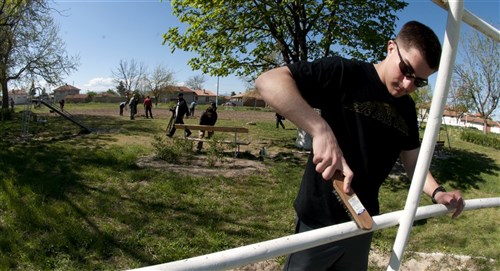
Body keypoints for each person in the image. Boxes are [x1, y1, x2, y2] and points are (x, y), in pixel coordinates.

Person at [255, 21, 465, 271]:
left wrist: (438, 192)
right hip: (318, 221)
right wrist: (320, 130)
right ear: (390, 47)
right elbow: (268, 81)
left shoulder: (407, 109)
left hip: (363, 223)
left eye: (419, 82)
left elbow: (413, 162)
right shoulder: (345, 73)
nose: (408, 85)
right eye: (406, 69)